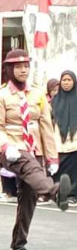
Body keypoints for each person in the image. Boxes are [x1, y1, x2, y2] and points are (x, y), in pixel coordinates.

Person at [0, 49, 71, 250]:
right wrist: (7, 146)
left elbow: (46, 127)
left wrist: (52, 158)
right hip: (10, 148)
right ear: (9, 69)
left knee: (28, 197)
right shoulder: (0, 96)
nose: (23, 70)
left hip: (33, 148)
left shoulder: (37, 95)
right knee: (28, 165)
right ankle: (54, 192)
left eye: (26, 65)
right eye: (18, 66)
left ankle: (19, 243)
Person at [51, 71, 77, 205]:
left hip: (74, 142)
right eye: (64, 80)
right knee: (58, 169)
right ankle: (59, 193)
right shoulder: (55, 100)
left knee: (73, 171)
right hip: (57, 141)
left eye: (69, 80)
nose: (66, 83)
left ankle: (72, 195)